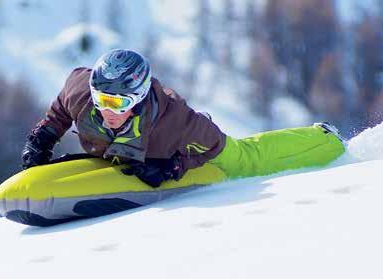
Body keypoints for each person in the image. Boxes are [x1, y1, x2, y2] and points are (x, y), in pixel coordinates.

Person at [22, 49, 345, 188]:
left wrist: (174, 166)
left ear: (135, 99)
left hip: (192, 141)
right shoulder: (80, 91)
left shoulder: (178, 124)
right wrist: (43, 137)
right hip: (127, 147)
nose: (106, 109)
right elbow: (62, 109)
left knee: (245, 160)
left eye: (117, 102)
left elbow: (207, 148)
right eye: (101, 99)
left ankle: (323, 139)